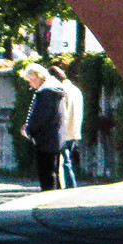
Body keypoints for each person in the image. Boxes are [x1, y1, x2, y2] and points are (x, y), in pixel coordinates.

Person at [20, 63, 66, 191]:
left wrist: (28, 130)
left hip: (46, 139)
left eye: (31, 80)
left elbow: (40, 117)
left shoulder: (46, 93)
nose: (30, 84)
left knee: (46, 174)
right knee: (54, 172)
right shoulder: (55, 91)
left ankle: (49, 203)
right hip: (54, 137)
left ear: (39, 77)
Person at [48, 65, 84, 188]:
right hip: (74, 130)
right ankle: (68, 186)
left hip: (62, 131)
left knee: (62, 163)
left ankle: (67, 187)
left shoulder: (60, 90)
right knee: (67, 160)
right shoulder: (75, 90)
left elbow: (60, 112)